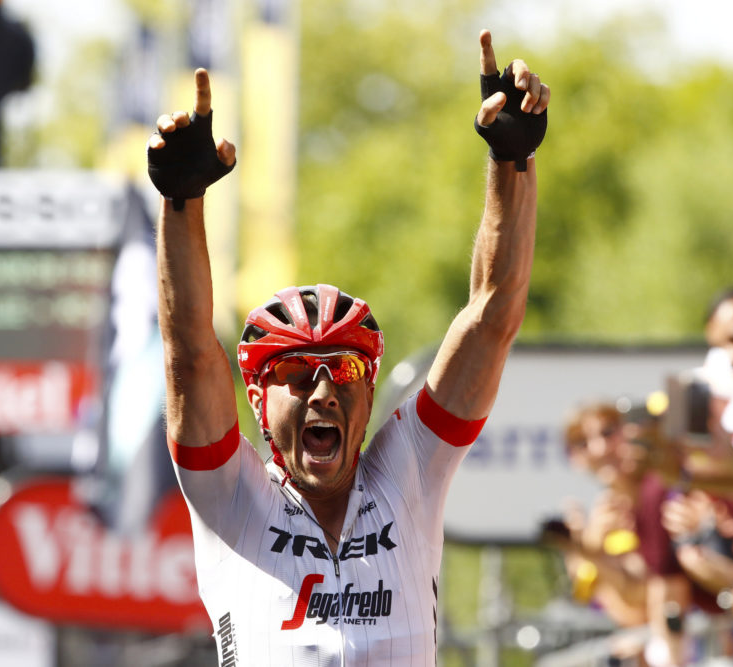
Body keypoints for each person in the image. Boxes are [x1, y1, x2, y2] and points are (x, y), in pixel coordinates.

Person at [146, 30, 549, 665]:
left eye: (345, 368)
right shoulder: (229, 494)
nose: (324, 391)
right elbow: (191, 353)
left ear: (369, 388)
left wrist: (513, 161)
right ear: (257, 399)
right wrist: (181, 201)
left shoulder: (410, 473)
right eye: (296, 372)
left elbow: (493, 314)